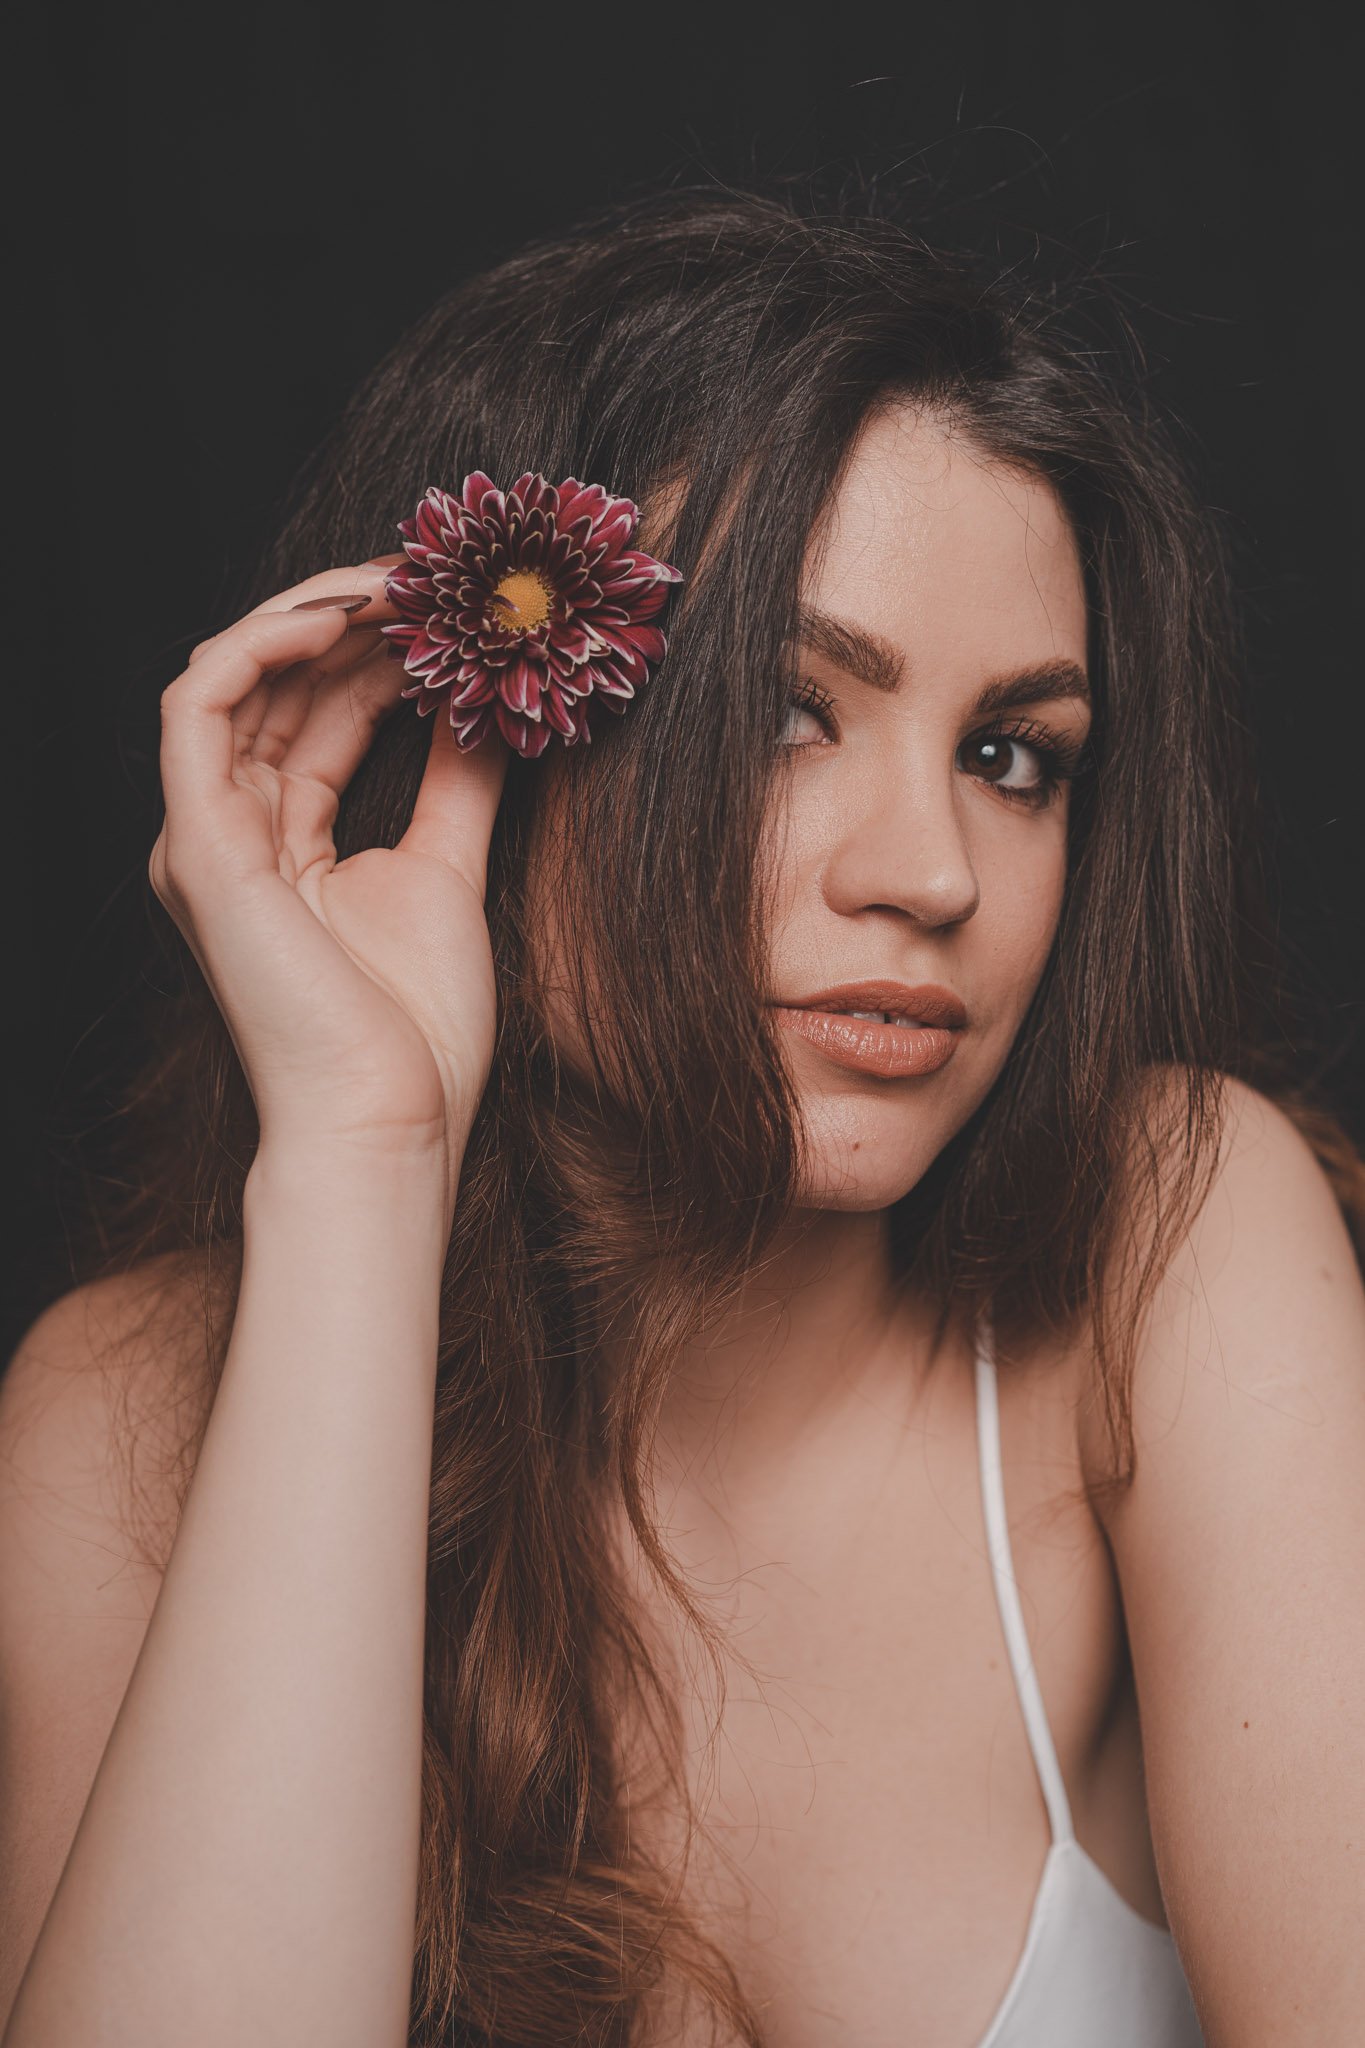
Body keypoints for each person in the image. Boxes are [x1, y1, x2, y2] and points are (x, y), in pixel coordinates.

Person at [2, 180, 1363, 2048]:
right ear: (485, 729)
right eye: (788, 712)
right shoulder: (116, 1424)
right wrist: (358, 1160)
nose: (933, 875)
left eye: (1010, 756)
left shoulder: (1172, 1244)